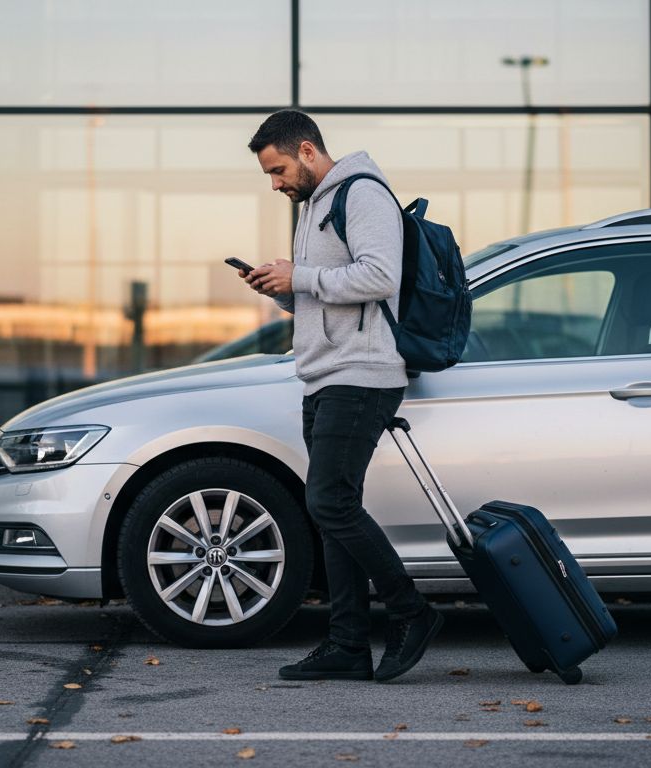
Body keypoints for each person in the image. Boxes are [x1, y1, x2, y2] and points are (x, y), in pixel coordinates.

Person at [243, 109, 442, 682]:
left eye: (278, 170)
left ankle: (412, 610)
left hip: (363, 373)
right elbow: (326, 291)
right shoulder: (312, 207)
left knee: (331, 503)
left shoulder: (363, 193)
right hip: (325, 374)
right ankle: (347, 644)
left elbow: (381, 276)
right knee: (331, 512)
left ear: (307, 151)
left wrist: (300, 277)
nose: (275, 183)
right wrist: (282, 287)